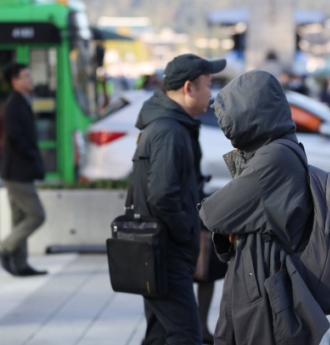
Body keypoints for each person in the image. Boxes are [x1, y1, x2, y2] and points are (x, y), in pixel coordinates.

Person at [198, 70, 326, 345]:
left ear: (252, 112)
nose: (226, 126)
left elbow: (213, 214)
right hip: (260, 272)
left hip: (263, 278)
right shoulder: (280, 147)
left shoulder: (274, 156)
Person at [130, 54, 226, 345]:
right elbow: (162, 194)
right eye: (208, 85)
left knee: (161, 335)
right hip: (165, 252)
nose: (211, 93)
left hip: (161, 249)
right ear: (189, 87)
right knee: (186, 335)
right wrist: (187, 232)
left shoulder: (170, 125)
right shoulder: (169, 130)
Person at [0, 63, 47, 277]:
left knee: (19, 218)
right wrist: (32, 158)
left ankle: (20, 264)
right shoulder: (14, 105)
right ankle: (4, 248)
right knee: (36, 215)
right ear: (15, 81)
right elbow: (15, 137)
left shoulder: (22, 102)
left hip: (17, 171)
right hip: (17, 172)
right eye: (25, 76)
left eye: (30, 74)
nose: (30, 78)